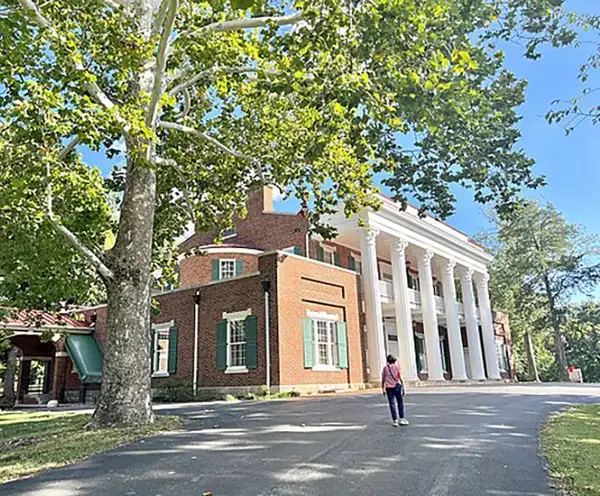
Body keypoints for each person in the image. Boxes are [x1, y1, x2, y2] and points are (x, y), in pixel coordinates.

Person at [381, 354, 408, 427]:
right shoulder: (397, 367)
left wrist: (382, 388)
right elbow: (400, 378)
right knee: (400, 402)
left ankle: (395, 420)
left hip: (389, 387)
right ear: (395, 360)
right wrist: (403, 388)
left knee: (392, 403)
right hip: (397, 386)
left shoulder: (385, 368)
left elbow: (383, 378)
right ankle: (402, 418)